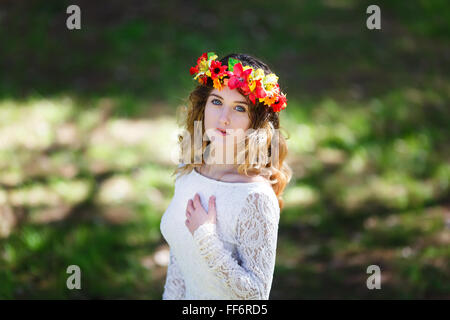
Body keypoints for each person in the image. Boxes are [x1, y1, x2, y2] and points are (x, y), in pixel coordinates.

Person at [160, 52, 292, 299]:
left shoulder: (255, 196)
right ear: (204, 105)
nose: (224, 119)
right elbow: (179, 264)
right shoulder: (187, 172)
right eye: (217, 102)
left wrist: (206, 238)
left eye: (239, 108)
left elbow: (255, 295)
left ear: (257, 122)